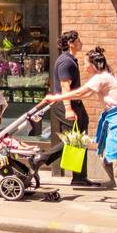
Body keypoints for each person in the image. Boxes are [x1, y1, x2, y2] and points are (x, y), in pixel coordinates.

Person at [44, 46, 117, 210]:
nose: (83, 67)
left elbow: (81, 93)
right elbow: (84, 94)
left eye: (85, 64)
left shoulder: (101, 78)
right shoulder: (105, 76)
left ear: (93, 64)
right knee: (114, 157)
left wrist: (57, 97)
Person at [43, 30, 90, 184]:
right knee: (73, 140)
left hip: (75, 103)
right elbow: (65, 86)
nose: (81, 42)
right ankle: (40, 159)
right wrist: (68, 108)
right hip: (66, 105)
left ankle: (79, 177)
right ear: (71, 44)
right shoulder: (66, 62)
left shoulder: (70, 60)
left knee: (79, 138)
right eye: (78, 40)